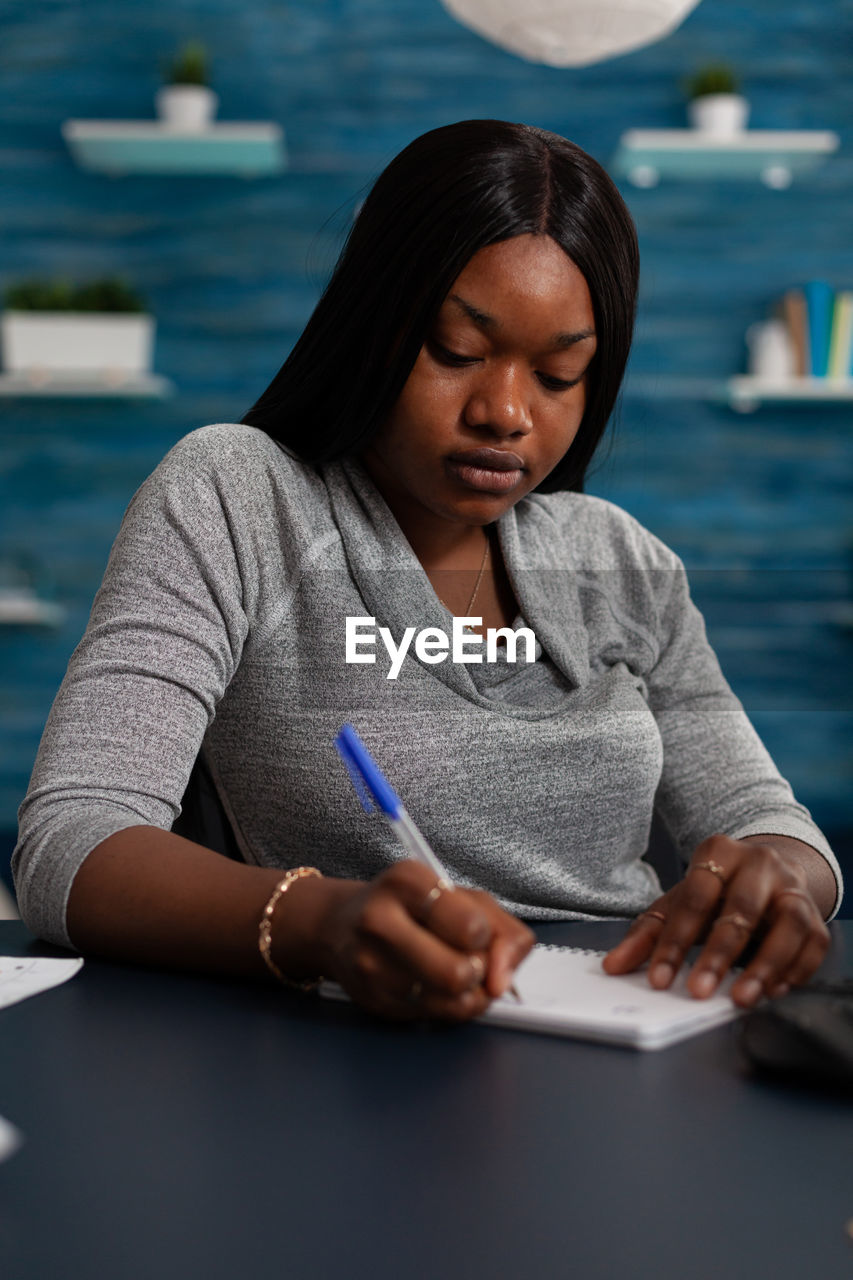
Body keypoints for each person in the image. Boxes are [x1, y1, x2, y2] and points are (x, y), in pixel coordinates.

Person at [13, 120, 842, 1023]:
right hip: (353, 1048)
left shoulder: (617, 558)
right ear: (376, 323)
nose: (505, 413)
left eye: (560, 375)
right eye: (456, 352)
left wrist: (782, 878)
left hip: (636, 1031)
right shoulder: (239, 495)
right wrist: (320, 920)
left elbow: (768, 818)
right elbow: (72, 838)